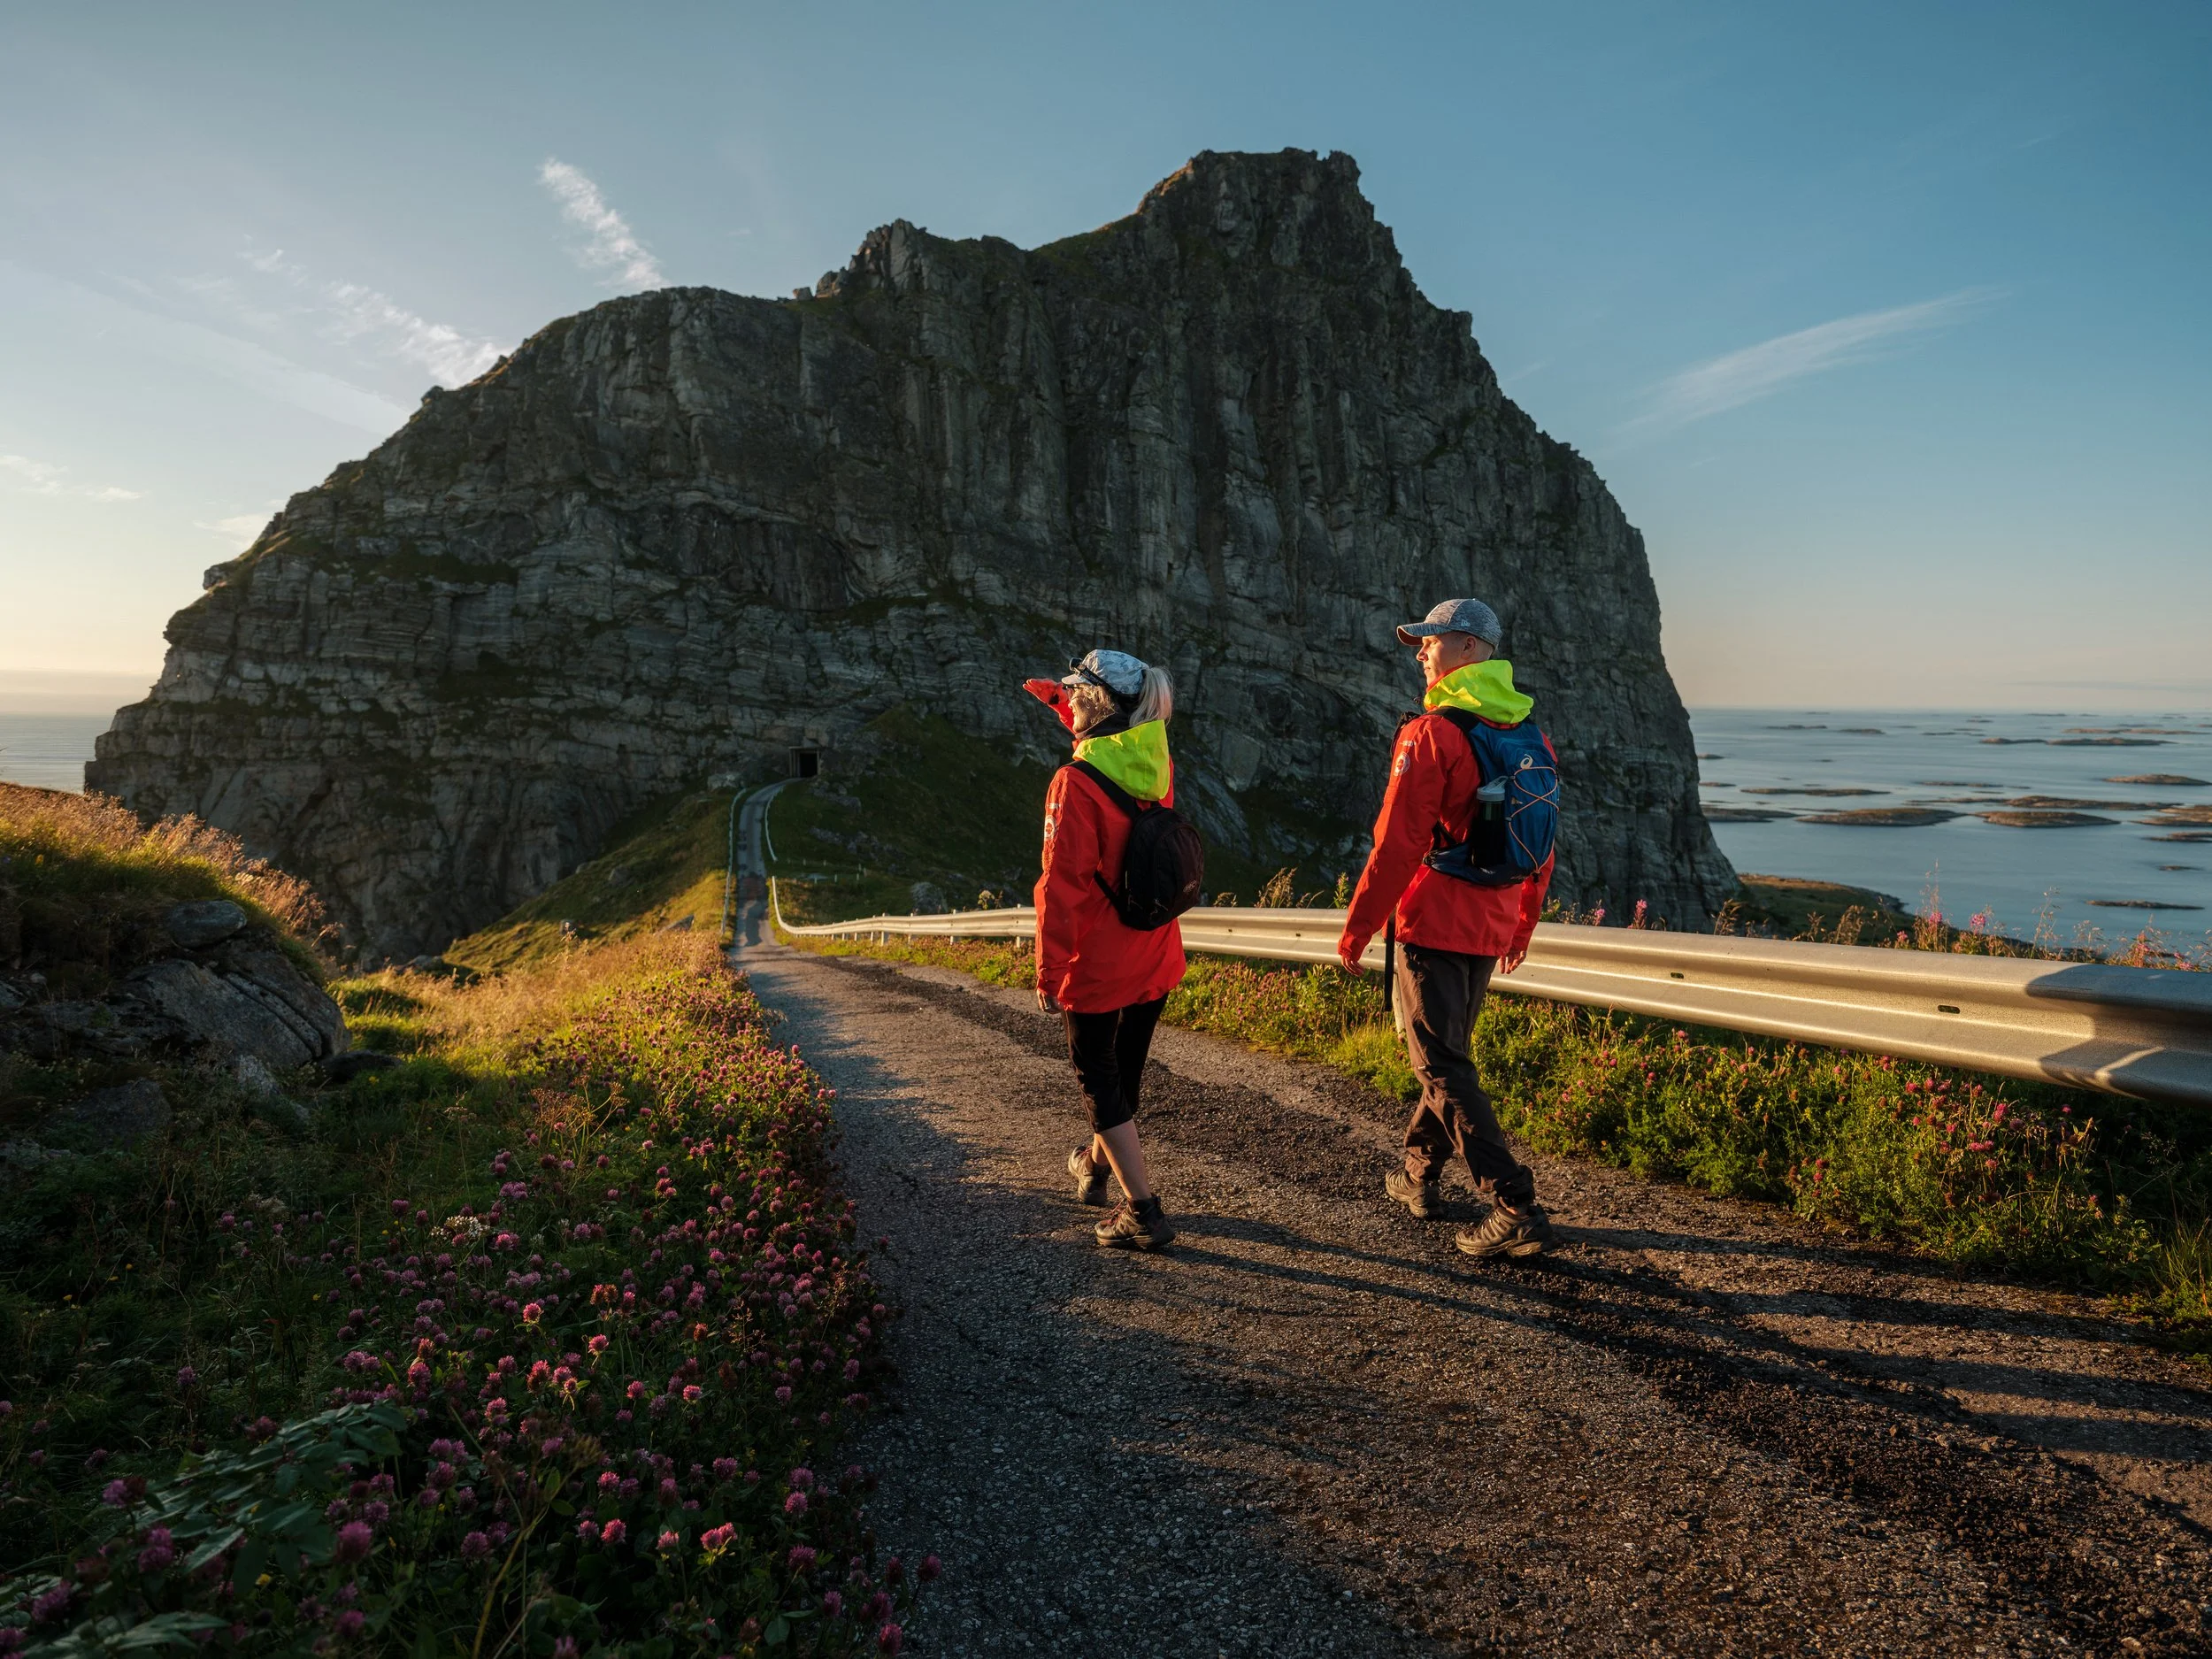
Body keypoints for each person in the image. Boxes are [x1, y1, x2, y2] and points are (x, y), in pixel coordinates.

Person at [1336, 598, 1559, 1259]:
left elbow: (1396, 843)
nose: (1420, 652)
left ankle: (1513, 1200)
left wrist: (1358, 927)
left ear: (1465, 646)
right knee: (1448, 1061)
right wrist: (1522, 921)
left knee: (1438, 1063)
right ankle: (1417, 1175)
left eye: (1430, 641)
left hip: (1434, 918)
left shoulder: (1430, 733)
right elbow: (1542, 842)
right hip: (1491, 918)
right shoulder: (1526, 731)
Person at [1025, 649, 1186, 1250]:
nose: (1067, 698)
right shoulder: (1156, 762)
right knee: (1126, 1070)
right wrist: (1055, 693)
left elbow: (1060, 888)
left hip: (1096, 962)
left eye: (1074, 691)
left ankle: (1142, 1209)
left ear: (1093, 700)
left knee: (1098, 1079)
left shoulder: (1074, 783)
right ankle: (1095, 1167)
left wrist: (1049, 968)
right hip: (1155, 949)